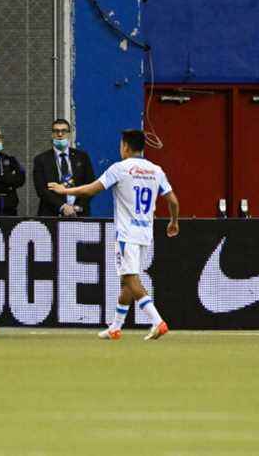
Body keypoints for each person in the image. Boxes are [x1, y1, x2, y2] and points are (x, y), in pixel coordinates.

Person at [48, 129, 180, 341]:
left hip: (126, 234)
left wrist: (65, 191)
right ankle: (115, 327)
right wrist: (174, 221)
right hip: (145, 234)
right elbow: (173, 200)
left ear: (125, 147)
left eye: (121, 145)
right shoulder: (156, 170)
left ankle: (157, 322)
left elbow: (91, 190)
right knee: (126, 281)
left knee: (130, 278)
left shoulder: (120, 169)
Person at [33, 119, 96, 217]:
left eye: (64, 131)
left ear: (69, 134)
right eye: (56, 131)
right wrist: (63, 207)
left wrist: (77, 207)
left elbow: (91, 184)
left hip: (79, 214)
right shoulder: (41, 159)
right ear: (52, 134)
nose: (60, 134)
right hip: (51, 214)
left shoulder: (82, 157)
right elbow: (41, 190)